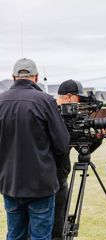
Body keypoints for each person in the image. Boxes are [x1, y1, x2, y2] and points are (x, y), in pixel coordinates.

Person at [0, 58, 70, 240]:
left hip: (10, 183)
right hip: (41, 184)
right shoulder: (45, 101)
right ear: (36, 77)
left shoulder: (1, 101)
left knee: (15, 235)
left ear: (13, 77)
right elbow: (62, 144)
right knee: (40, 236)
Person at [53, 79, 104, 240]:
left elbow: (82, 146)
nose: (80, 104)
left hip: (60, 179)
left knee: (59, 225)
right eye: (79, 99)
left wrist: (96, 137)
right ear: (69, 97)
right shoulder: (48, 113)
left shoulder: (71, 118)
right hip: (48, 179)